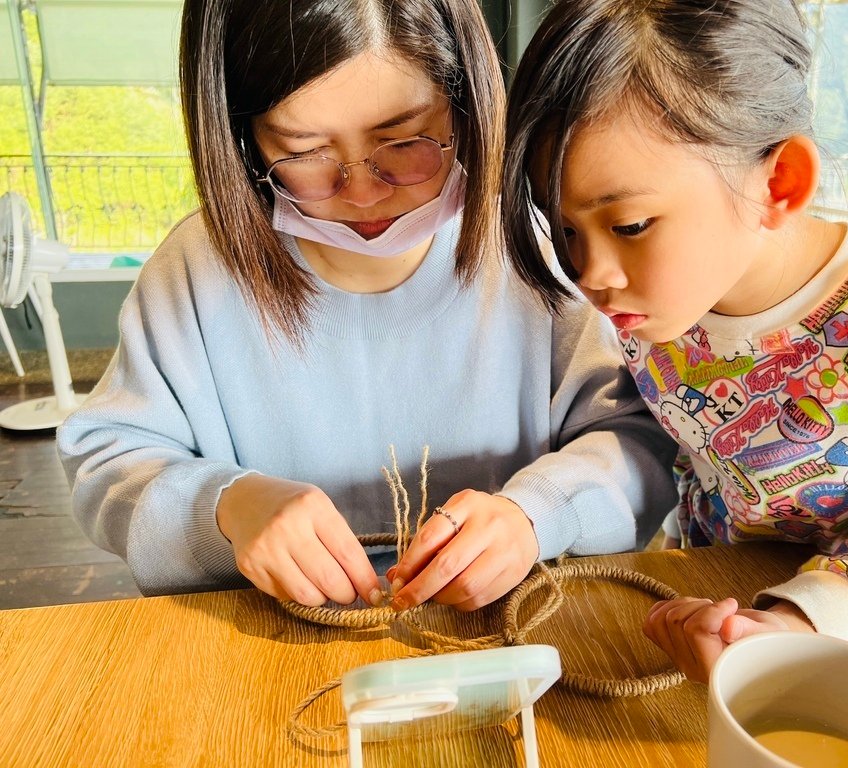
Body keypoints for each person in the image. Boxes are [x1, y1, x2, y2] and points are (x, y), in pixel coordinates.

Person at [57, 0, 678, 614]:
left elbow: (636, 436)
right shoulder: (194, 275)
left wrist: (536, 514)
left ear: (464, 103)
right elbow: (109, 461)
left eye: (405, 140)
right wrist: (225, 506)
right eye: (304, 152)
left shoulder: (537, 248)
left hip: (504, 633)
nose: (361, 190)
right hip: (266, 652)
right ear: (240, 133)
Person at [502, 0, 848, 683]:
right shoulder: (657, 311)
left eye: (633, 225)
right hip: (705, 611)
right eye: (566, 231)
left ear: (780, 182)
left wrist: (790, 623)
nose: (593, 275)